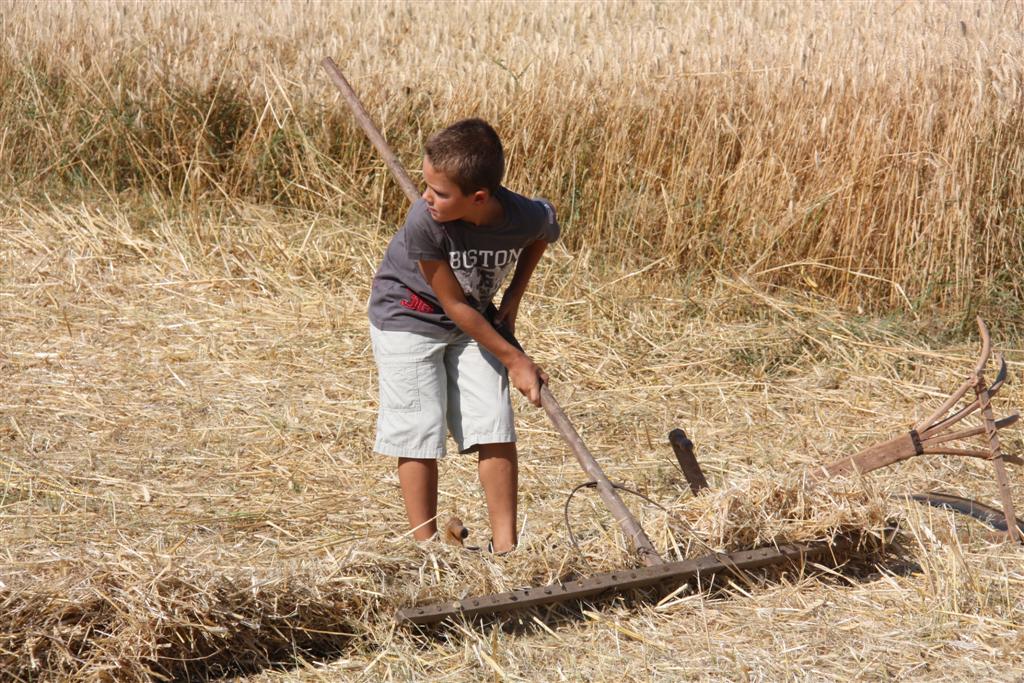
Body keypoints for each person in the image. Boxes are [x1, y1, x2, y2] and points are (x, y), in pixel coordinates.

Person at [367, 118, 559, 554]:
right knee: (420, 428)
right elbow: (452, 304)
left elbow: (543, 231)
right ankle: (428, 549)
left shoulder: (522, 215)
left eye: (439, 192)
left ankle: (506, 549)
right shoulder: (426, 221)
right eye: (426, 186)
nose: (427, 198)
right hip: (408, 316)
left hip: (474, 318)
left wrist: (515, 294)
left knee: (494, 421)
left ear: (478, 197)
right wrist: (515, 359)